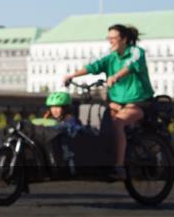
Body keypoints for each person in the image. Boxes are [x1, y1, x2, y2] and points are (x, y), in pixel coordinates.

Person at [62, 24, 154, 180]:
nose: (110, 41)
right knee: (98, 122)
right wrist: (72, 76)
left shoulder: (136, 52)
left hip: (138, 102)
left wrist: (116, 76)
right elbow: (93, 66)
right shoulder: (110, 56)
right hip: (117, 102)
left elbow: (131, 66)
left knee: (118, 123)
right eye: (108, 38)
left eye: (113, 38)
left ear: (124, 39)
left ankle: (119, 167)